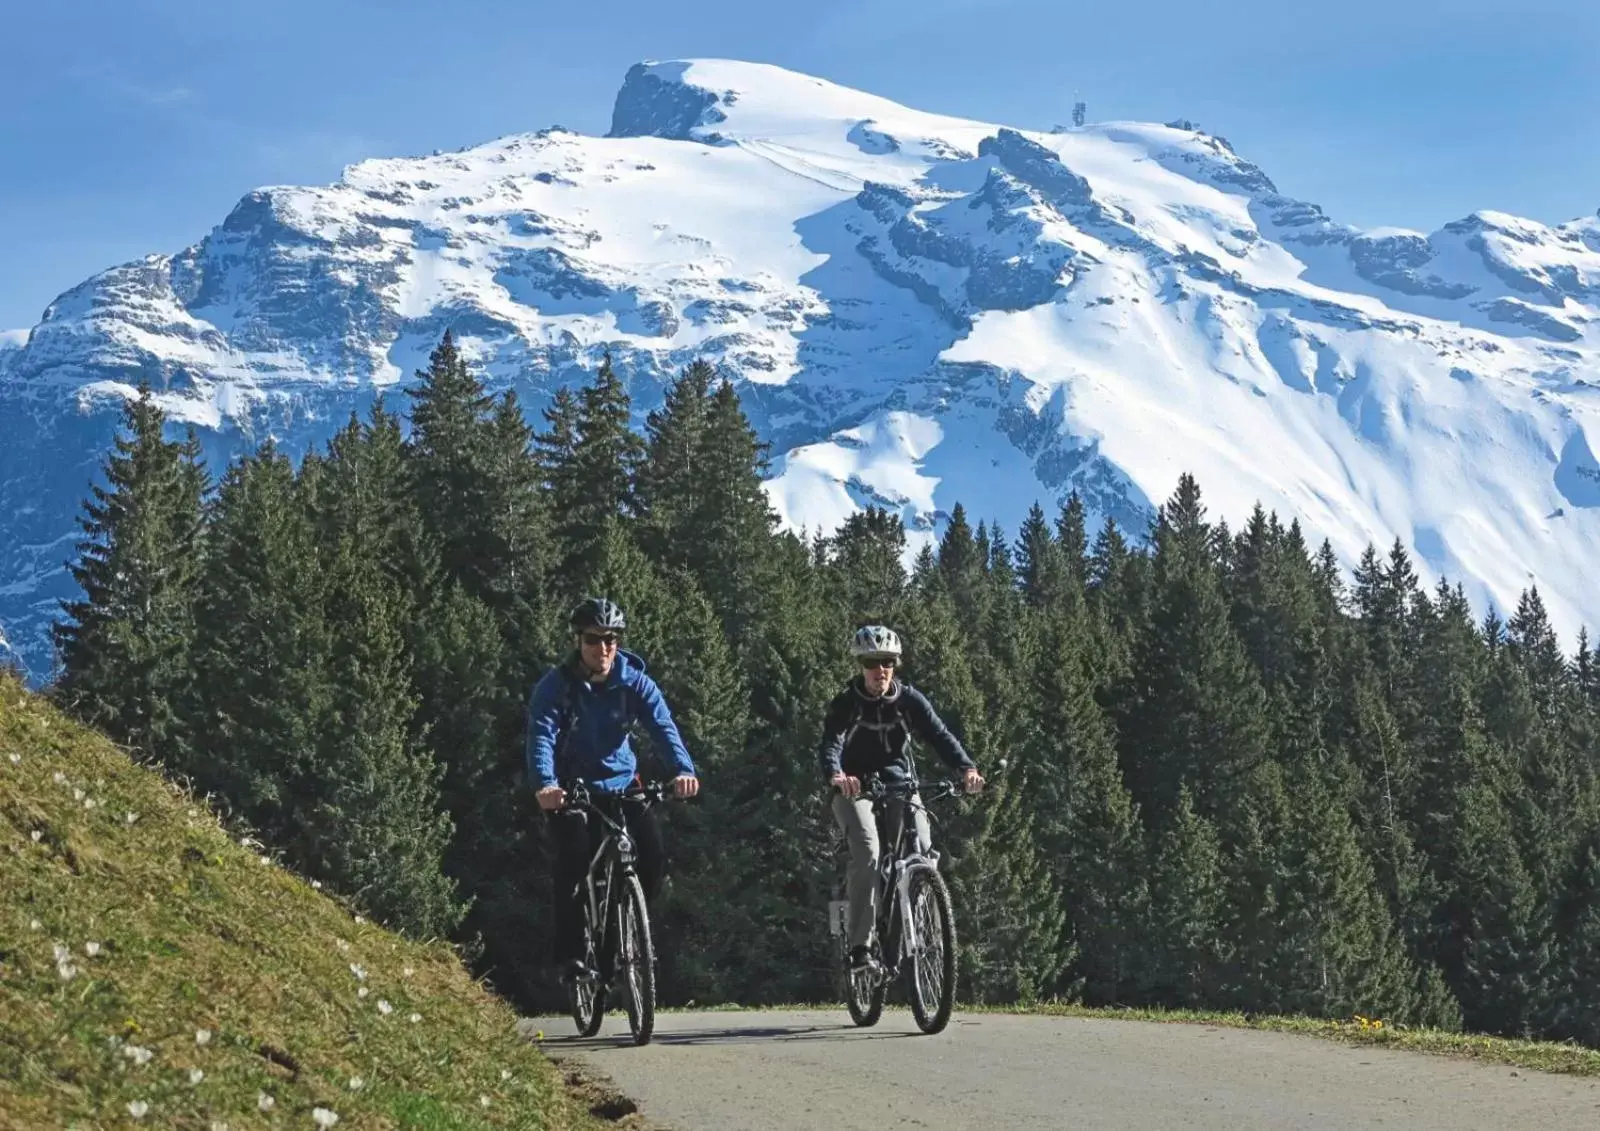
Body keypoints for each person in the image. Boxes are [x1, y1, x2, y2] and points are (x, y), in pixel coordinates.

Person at [525, 597, 700, 983]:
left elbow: (663, 727)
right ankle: (572, 956)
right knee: (573, 858)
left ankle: (623, 933)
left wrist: (683, 770)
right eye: (593, 639)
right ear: (578, 641)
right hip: (573, 788)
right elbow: (541, 736)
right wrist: (545, 783)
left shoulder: (633, 680)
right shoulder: (557, 687)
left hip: (622, 782)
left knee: (652, 855)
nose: (603, 648)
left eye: (611, 639)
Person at [818, 624, 983, 973]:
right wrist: (836, 775)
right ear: (861, 665)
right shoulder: (847, 703)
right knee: (869, 855)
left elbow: (940, 735)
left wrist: (966, 768)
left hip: (900, 785)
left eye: (888, 662)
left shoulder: (909, 701)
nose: (881, 670)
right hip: (854, 787)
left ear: (896, 664)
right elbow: (831, 742)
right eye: (873, 662)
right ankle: (860, 947)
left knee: (922, 848)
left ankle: (922, 911)